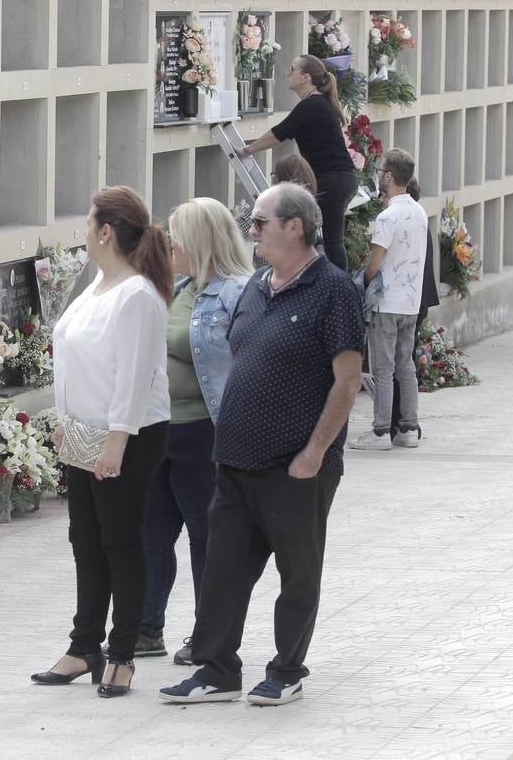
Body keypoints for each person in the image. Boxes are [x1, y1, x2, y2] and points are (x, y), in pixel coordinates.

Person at [159, 183, 364, 706]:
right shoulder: (255, 286)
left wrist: (315, 452)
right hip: (235, 460)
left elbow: (346, 380)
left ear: (295, 226)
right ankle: (217, 670)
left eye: (260, 223)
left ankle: (287, 669)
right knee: (224, 570)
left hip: (295, 465)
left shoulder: (334, 290)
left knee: (297, 572)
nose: (251, 231)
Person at [33, 185, 172, 699]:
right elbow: (79, 357)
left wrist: (115, 443)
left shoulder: (136, 295)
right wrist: (66, 419)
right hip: (86, 431)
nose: (84, 232)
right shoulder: (99, 283)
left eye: (89, 223)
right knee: (85, 542)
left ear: (106, 231)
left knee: (120, 543)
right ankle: (83, 645)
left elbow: (133, 378)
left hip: (127, 435)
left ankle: (122, 653)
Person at [136, 198, 253, 667]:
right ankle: (146, 628)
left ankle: (208, 635)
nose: (168, 244)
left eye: (176, 235)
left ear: (201, 240)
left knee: (207, 537)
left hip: (206, 433)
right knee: (150, 534)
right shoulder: (178, 287)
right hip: (160, 428)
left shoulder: (237, 292)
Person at [236, 56, 355, 272]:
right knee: (328, 239)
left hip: (333, 179)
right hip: (339, 177)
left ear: (306, 77)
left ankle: (339, 289)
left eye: (292, 70)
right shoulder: (316, 103)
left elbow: (279, 133)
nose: (287, 74)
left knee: (331, 241)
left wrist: (247, 150)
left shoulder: (312, 104)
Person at [350, 149, 427, 450]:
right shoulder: (419, 212)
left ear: (389, 176)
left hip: (386, 303)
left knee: (383, 368)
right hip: (411, 302)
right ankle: (408, 427)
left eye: (382, 170)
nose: (379, 175)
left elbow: (374, 264)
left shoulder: (387, 216)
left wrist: (365, 279)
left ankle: (381, 431)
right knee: (405, 364)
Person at [390, 177, 439, 433]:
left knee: (396, 363)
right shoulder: (420, 218)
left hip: (403, 301)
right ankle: (407, 420)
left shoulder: (402, 221)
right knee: (405, 361)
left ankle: (398, 420)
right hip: (417, 300)